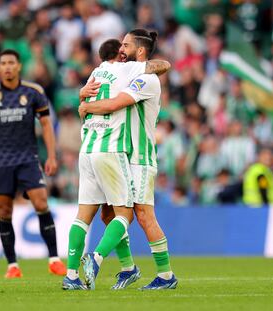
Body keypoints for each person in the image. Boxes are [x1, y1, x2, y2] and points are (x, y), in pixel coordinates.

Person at [62, 39, 170, 290]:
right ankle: (112, 264)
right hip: (112, 151)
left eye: (128, 44)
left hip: (104, 152)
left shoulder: (98, 75)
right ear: (119, 56)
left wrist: (84, 103)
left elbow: (94, 103)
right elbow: (162, 65)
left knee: (103, 215)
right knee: (118, 213)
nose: (124, 50)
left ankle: (76, 273)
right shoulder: (125, 69)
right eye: (121, 47)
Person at [0, 49, 67, 278]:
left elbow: (46, 125)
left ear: (18, 66)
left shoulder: (34, 92)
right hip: (2, 161)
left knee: (41, 202)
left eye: (11, 63)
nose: (7, 67)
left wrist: (52, 156)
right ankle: (12, 266)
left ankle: (54, 260)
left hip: (28, 158)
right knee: (5, 211)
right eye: (3, 63)